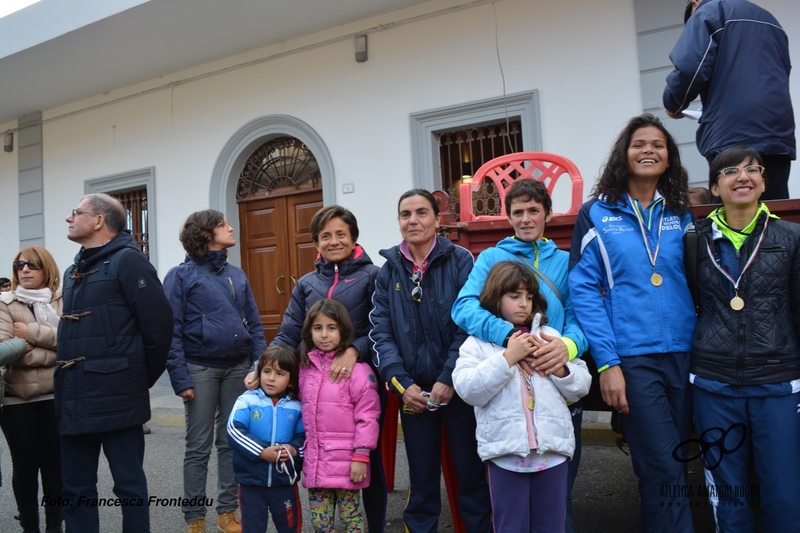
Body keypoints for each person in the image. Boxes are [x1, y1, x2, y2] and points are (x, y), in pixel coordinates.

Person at [568, 114, 697, 532]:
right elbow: (584, 290)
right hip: (635, 358)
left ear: (669, 157)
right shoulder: (597, 213)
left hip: (685, 353)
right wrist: (608, 363)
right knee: (662, 467)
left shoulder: (681, 213)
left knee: (676, 462)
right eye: (639, 143)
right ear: (624, 154)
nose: (648, 150)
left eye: (658, 145)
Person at [451, 178, 589, 533]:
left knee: (558, 495)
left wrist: (564, 350)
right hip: (508, 377)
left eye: (533, 210)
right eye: (517, 212)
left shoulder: (565, 260)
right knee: (510, 510)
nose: (526, 218)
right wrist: (511, 338)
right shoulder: (493, 257)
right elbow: (464, 307)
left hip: (553, 380)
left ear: (547, 214)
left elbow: (581, 317)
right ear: (508, 216)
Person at [243, 204, 387, 533]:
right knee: (320, 452)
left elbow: (382, 327)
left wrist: (354, 350)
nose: (333, 241)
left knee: (367, 461)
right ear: (316, 242)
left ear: (354, 239)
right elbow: (289, 332)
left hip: (360, 384)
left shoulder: (373, 276)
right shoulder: (306, 284)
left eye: (341, 234)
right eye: (325, 236)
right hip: (317, 387)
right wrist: (262, 366)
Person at [689, 146, 800, 532]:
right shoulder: (694, 241)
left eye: (753, 169)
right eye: (731, 170)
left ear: (764, 182)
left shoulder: (791, 237)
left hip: (777, 383)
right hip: (713, 384)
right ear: (715, 187)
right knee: (728, 495)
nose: (744, 176)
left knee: (785, 494)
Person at [370, 188, 492, 533]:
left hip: (459, 388)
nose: (413, 220)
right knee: (422, 482)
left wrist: (449, 377)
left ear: (438, 220)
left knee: (470, 475)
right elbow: (381, 333)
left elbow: (468, 326)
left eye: (422, 212)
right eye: (405, 214)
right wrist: (402, 384)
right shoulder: (388, 270)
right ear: (398, 222)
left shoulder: (460, 260)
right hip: (414, 395)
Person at [56, 193, 172, 533]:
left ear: (98, 221)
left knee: (129, 487)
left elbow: (159, 328)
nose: (68, 218)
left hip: (118, 395)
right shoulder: (72, 270)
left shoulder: (129, 262)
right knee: (75, 490)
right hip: (74, 396)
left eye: (76, 212)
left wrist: (135, 378)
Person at [164, 209, 266, 533]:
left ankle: (226, 512)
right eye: (223, 224)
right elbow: (171, 331)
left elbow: (256, 324)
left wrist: (260, 366)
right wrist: (180, 376)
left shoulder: (237, 274)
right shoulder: (179, 276)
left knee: (230, 442)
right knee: (198, 446)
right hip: (200, 369)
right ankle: (194, 517)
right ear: (206, 233)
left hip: (238, 367)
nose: (231, 227)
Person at [663, 0, 795, 200]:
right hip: (778, 135)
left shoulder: (708, 11)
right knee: (775, 216)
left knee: (732, 216)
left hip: (732, 133)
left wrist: (674, 103)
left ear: (695, 2)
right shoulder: (770, 20)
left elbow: (691, 67)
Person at [298, 299, 380, 532]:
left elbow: (368, 417)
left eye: (331, 328)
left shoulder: (359, 371)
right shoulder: (305, 368)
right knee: (320, 523)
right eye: (318, 328)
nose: (324, 335)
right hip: (316, 463)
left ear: (343, 329)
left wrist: (361, 457)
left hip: (348, 465)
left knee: (351, 521)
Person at [0, 246, 63, 533]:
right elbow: (5, 351)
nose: (25, 269)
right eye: (20, 265)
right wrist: (55, 347)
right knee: (24, 469)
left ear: (46, 269)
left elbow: (74, 343)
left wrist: (30, 335)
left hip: (56, 397)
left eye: (33, 264)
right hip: (17, 400)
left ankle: (53, 527)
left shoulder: (61, 301)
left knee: (54, 469)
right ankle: (30, 528)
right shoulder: (5, 302)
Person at [227, 346, 305, 533]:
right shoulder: (246, 400)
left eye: (280, 373)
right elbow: (234, 430)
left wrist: (293, 450)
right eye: (267, 371)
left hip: (284, 484)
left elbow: (304, 437)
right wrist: (261, 452)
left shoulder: (297, 406)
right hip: (251, 483)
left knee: (290, 528)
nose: (271, 378)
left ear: (291, 380)